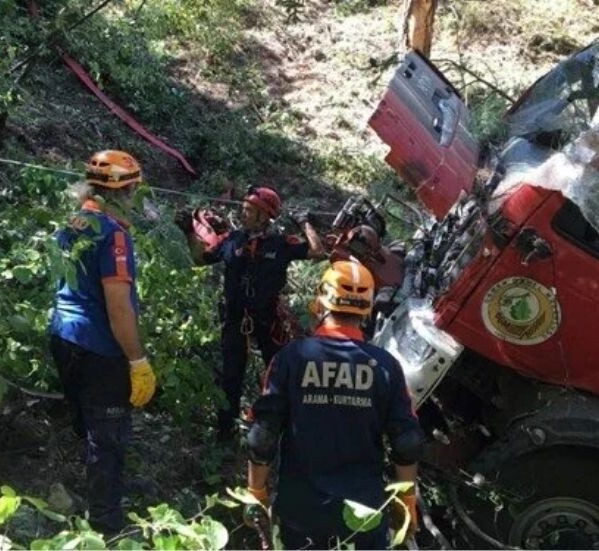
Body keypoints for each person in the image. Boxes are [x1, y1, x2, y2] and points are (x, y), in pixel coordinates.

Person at [243, 260, 425, 549]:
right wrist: (406, 501)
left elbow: (263, 435)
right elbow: (407, 443)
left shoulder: (291, 359)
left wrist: (256, 492)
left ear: (321, 300)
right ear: (366, 307)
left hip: (300, 512)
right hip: (363, 513)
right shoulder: (386, 367)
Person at [48, 150, 156, 534]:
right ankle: (107, 526)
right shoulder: (113, 235)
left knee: (87, 427)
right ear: (123, 190)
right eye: (133, 189)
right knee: (108, 438)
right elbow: (119, 307)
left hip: (63, 334)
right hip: (99, 346)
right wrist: (137, 360)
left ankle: (90, 496)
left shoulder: (75, 219)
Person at [177, 186, 325, 441]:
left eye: (249, 210)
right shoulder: (232, 240)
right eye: (243, 209)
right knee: (231, 375)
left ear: (264, 215)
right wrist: (189, 232)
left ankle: (280, 428)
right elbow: (200, 260)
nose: (243, 214)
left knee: (277, 372)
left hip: (268, 319)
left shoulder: (280, 244)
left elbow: (317, 251)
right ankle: (225, 433)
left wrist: (304, 223)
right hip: (235, 318)